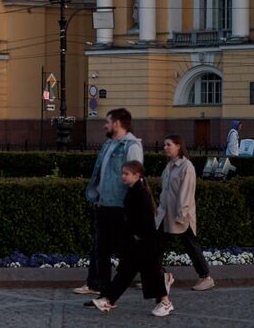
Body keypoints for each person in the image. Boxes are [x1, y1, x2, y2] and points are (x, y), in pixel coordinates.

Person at [74, 108, 144, 296]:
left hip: (119, 207)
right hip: (104, 205)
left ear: (117, 123)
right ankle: (103, 293)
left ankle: (156, 278)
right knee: (101, 251)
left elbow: (136, 180)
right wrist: (98, 197)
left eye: (107, 121)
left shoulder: (131, 146)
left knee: (127, 252)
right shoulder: (109, 144)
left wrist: (131, 209)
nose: (105, 125)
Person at [92, 161, 175, 317]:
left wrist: (138, 236)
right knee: (126, 272)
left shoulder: (139, 193)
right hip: (138, 241)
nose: (123, 176)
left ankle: (165, 302)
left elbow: (144, 219)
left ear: (137, 175)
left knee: (147, 273)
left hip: (143, 242)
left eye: (126, 174)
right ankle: (109, 299)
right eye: (123, 173)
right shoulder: (136, 190)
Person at [158, 135, 214, 291]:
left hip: (181, 216)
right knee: (157, 245)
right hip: (166, 214)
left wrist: (181, 216)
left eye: (168, 144)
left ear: (178, 146)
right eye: (164, 144)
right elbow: (165, 191)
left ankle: (205, 277)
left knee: (190, 245)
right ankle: (155, 277)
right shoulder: (169, 166)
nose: (165, 147)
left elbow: (186, 194)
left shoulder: (186, 167)